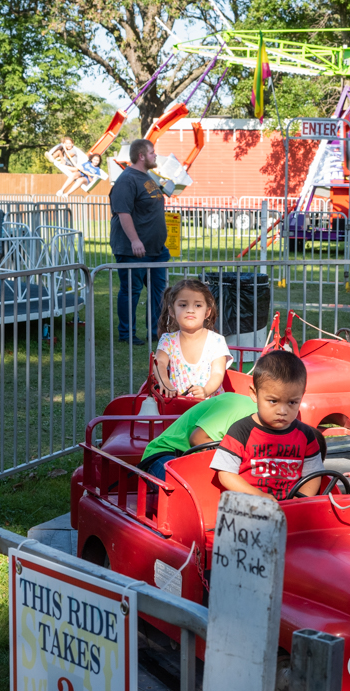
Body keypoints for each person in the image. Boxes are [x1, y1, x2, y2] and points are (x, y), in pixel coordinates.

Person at [211, 351, 324, 498]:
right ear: (254, 393)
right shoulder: (241, 431)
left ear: (302, 395)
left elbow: (314, 475)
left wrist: (299, 500)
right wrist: (260, 496)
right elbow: (225, 474)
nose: (282, 411)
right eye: (273, 401)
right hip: (247, 506)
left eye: (292, 402)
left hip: (290, 508)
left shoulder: (306, 435)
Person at [110, 138, 168, 345]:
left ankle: (156, 332)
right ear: (141, 156)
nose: (155, 155)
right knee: (131, 291)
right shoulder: (127, 180)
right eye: (152, 152)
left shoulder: (148, 176)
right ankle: (126, 334)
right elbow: (123, 212)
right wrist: (135, 241)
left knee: (159, 292)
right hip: (132, 249)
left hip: (156, 249)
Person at [139, 390, 258, 480]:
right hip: (166, 456)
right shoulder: (239, 407)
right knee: (196, 485)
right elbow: (197, 439)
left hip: (196, 461)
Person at [154, 278, 230, 399]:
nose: (190, 310)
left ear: (207, 312)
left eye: (198, 305)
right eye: (183, 305)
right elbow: (159, 363)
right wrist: (165, 382)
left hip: (211, 407)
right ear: (172, 311)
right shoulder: (168, 340)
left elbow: (218, 373)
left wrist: (206, 390)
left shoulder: (216, 341)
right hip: (179, 404)